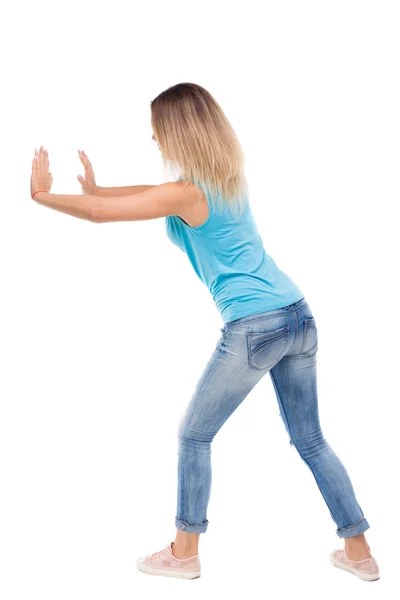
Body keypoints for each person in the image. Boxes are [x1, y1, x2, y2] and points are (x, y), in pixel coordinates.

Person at [30, 83, 380, 583]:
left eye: (156, 128)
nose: (152, 137)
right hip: (298, 315)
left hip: (254, 327)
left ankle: (184, 551)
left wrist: (44, 196)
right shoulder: (225, 179)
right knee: (311, 440)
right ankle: (360, 550)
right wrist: (100, 188)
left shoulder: (189, 191)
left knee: (194, 435)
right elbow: (148, 198)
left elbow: (103, 216)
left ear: (175, 131)